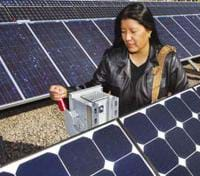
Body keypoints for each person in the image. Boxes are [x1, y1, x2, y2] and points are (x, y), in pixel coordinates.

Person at [49, 2, 188, 116]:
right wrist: (67, 92)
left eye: (133, 31)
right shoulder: (112, 58)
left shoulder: (167, 60)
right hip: (121, 130)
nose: (127, 38)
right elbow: (95, 88)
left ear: (149, 31)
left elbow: (184, 99)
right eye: (123, 32)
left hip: (155, 131)